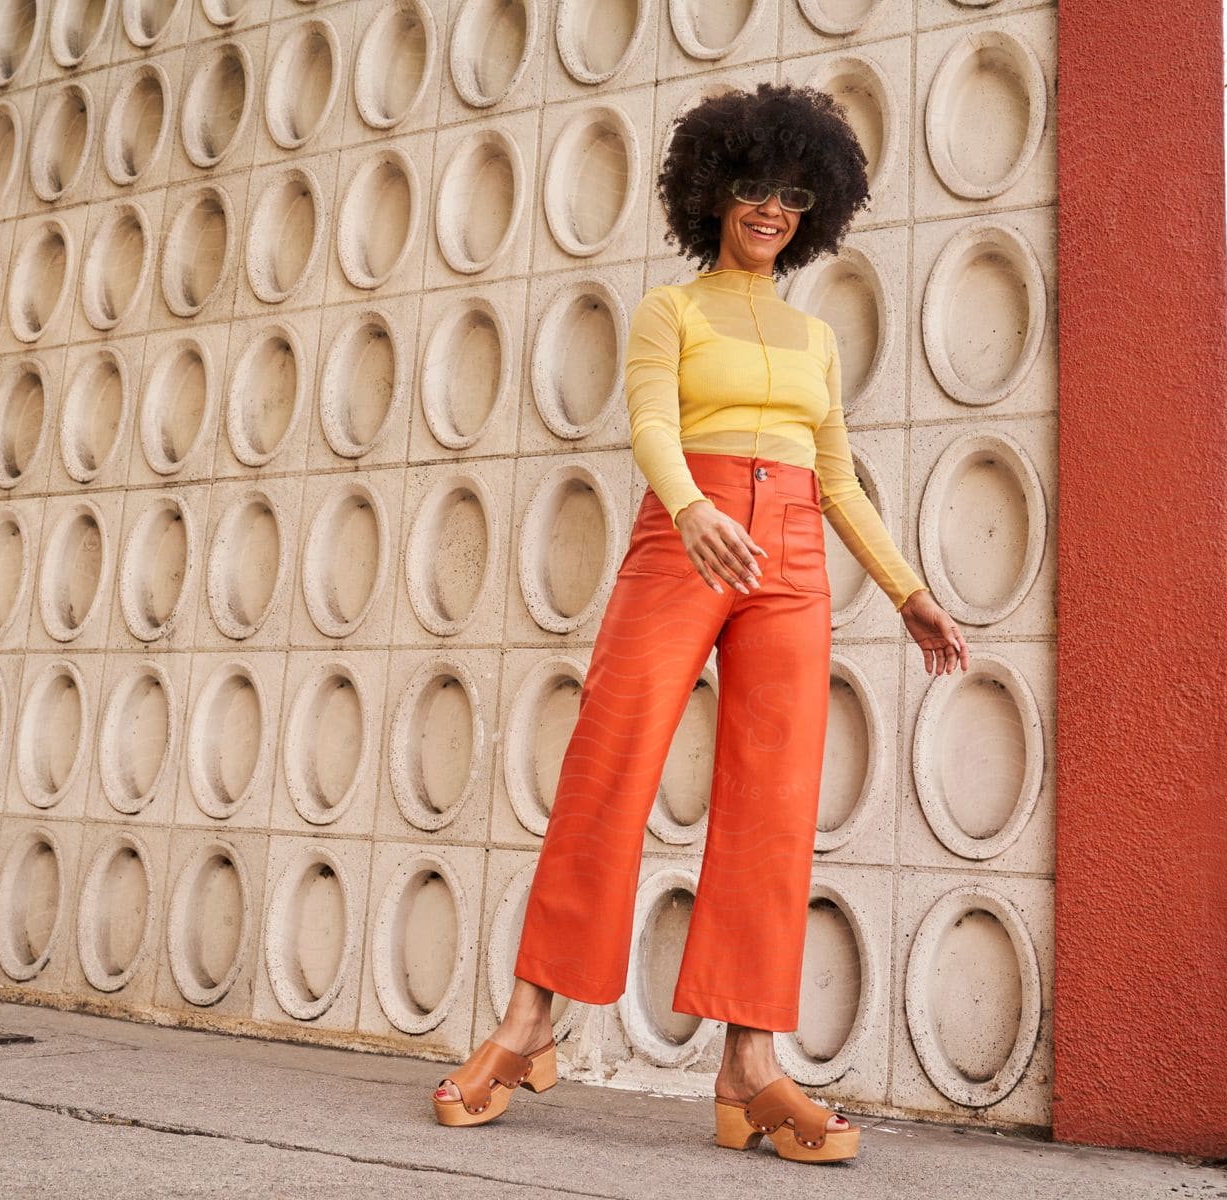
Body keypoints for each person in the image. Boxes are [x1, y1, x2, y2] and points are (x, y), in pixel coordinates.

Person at [428, 83, 970, 1164]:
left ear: (815, 210)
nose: (771, 207)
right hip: (687, 535)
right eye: (754, 187)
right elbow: (649, 423)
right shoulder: (671, 311)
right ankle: (531, 1029)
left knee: (773, 807)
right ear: (715, 192)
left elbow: (838, 479)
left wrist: (907, 587)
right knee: (609, 768)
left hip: (795, 560)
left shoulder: (814, 341)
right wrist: (691, 507)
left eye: (793, 193)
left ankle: (751, 1069)